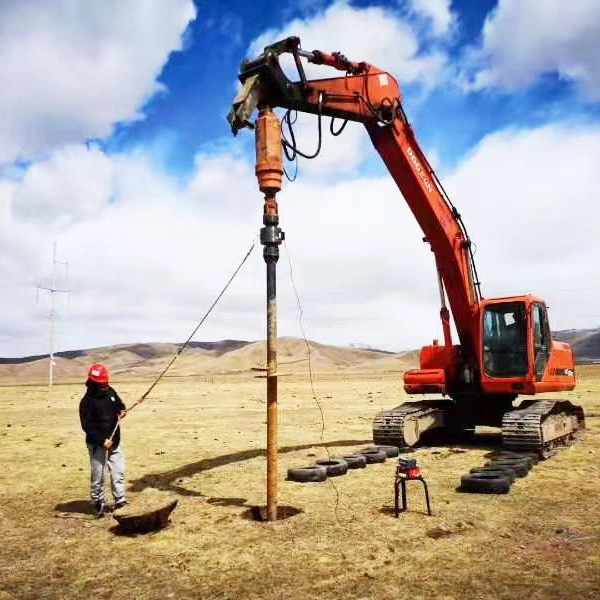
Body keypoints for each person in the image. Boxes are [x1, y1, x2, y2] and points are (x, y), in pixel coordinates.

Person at [79, 363, 127, 518]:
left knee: (118, 471)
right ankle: (98, 503)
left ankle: (120, 500)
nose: (106, 386)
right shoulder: (86, 402)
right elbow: (87, 426)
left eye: (107, 383)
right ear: (94, 383)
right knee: (98, 474)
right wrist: (101, 440)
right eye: (103, 384)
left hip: (115, 440)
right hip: (97, 444)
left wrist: (122, 410)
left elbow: (119, 404)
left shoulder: (110, 392)